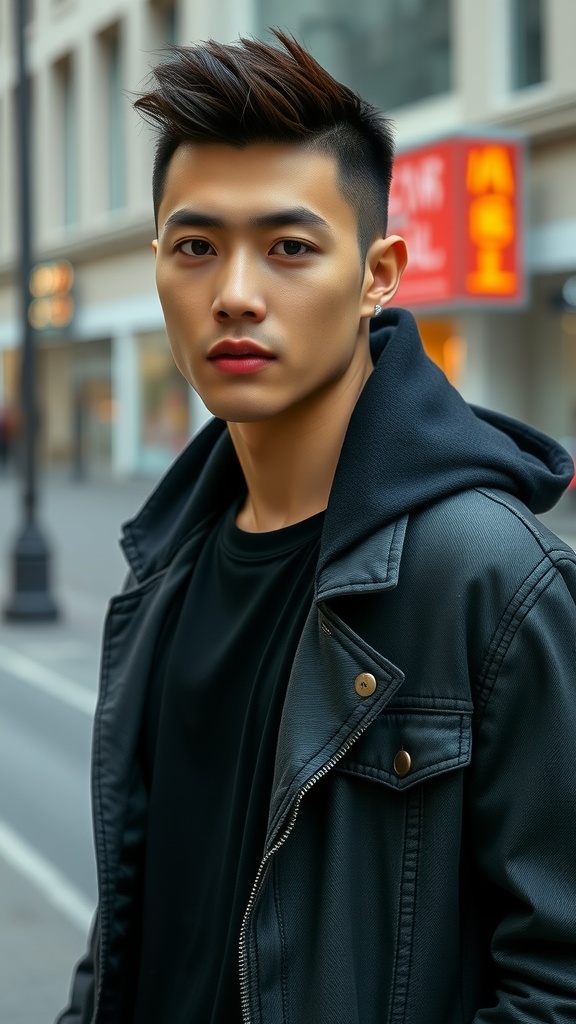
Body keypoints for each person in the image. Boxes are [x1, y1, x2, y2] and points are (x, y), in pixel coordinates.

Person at [57, 31, 576, 1024]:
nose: (235, 293)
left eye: (290, 247)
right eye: (196, 246)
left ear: (379, 272)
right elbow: (130, 925)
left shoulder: (495, 580)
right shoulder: (162, 568)